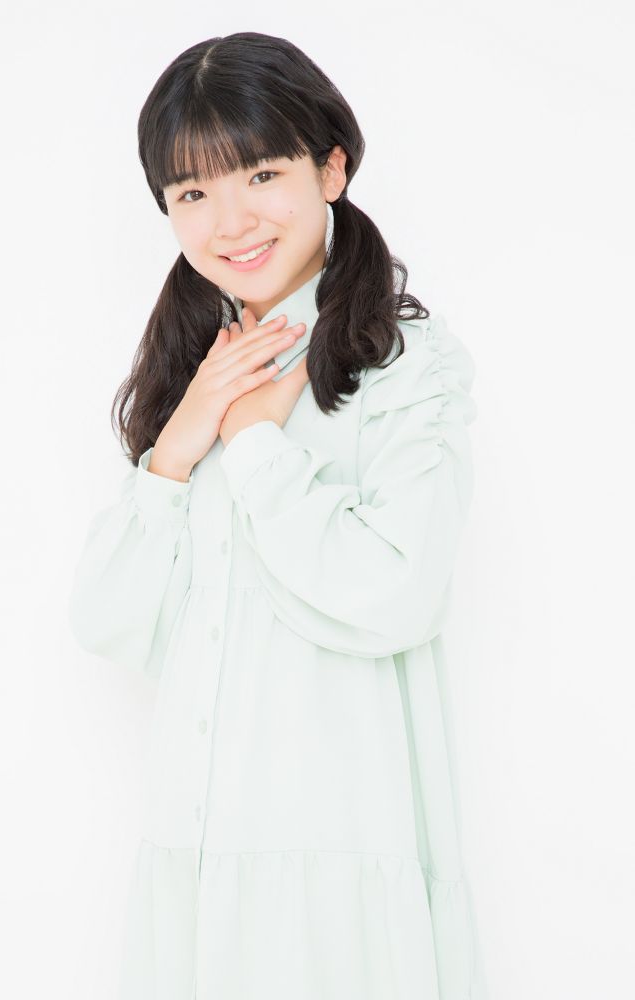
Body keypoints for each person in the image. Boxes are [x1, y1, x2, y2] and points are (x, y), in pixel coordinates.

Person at [67, 30, 488, 1000]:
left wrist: (256, 447)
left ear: (330, 168)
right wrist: (176, 450)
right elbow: (108, 623)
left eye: (261, 174)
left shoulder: (405, 367)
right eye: (192, 193)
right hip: (195, 855)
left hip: (338, 858)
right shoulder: (197, 373)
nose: (231, 221)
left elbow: (399, 594)